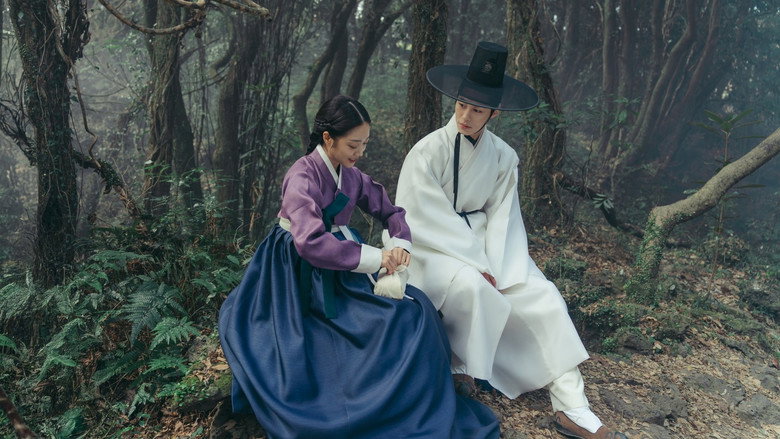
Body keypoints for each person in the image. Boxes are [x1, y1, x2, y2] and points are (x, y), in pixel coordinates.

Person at [218, 95, 499, 439]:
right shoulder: (302, 175)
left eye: (364, 144)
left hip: (341, 264)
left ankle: (413, 402)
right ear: (328, 138)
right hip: (294, 272)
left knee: (418, 311)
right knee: (369, 327)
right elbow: (309, 243)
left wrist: (400, 245)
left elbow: (392, 212)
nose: (360, 153)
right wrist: (376, 258)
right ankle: (361, 404)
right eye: (353, 145)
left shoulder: (350, 176)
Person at [394, 42, 628, 439]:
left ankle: (573, 408)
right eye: (461, 105)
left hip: (488, 247)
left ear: (494, 113)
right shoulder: (427, 151)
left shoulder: (504, 156)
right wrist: (477, 265)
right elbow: (420, 216)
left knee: (544, 297)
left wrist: (497, 268)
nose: (465, 116)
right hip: (432, 248)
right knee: (471, 287)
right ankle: (462, 368)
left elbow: (504, 219)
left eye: (477, 110)